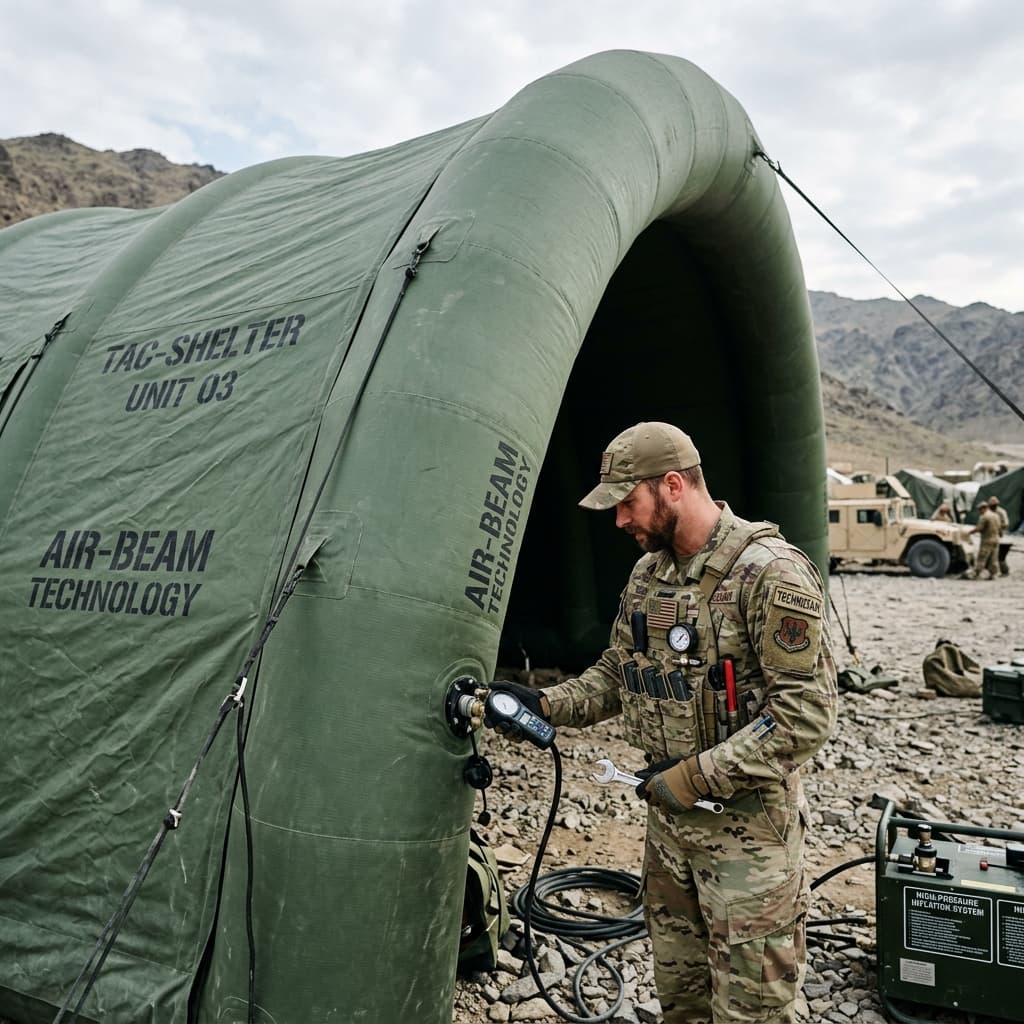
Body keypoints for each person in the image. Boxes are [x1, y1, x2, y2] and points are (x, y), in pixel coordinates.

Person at [492, 422, 837, 1024]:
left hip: (749, 846)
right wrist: (543, 704)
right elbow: (616, 675)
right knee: (682, 1002)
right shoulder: (649, 576)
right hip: (671, 839)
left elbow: (804, 715)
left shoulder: (768, 573)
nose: (621, 521)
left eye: (627, 503)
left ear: (672, 485)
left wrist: (695, 777)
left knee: (751, 1012)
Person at [967, 500, 1001, 579]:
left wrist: (969, 532)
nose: (979, 511)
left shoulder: (984, 516)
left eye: (979, 509)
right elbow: (1000, 528)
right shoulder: (996, 515)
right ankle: (994, 575)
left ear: (983, 508)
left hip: (987, 540)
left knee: (982, 558)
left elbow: (979, 528)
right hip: (996, 540)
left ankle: (976, 574)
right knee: (993, 558)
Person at [987, 495, 1010, 576]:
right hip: (992, 536)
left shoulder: (1001, 512)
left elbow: (1006, 524)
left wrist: (997, 527)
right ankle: (991, 571)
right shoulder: (989, 511)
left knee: (1000, 556)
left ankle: (1005, 571)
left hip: (1001, 536)